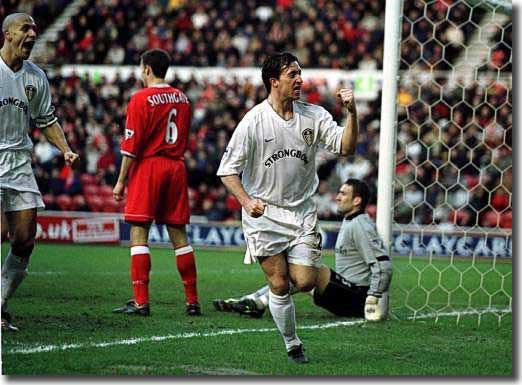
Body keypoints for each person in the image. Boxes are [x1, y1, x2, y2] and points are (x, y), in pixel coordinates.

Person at [216, 52, 358, 364]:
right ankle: (293, 344)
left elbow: (346, 147)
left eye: (299, 73)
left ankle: (260, 302)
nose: (299, 80)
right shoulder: (253, 121)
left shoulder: (313, 115)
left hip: (302, 211)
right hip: (264, 213)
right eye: (292, 74)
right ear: (274, 81)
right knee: (279, 283)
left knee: (305, 280)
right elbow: (228, 170)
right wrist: (247, 201)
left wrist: (352, 113)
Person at [214, 178, 393, 321]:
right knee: (300, 271)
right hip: (346, 292)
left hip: (358, 297)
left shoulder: (361, 225)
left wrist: (373, 298)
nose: (337, 197)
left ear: (357, 200)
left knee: (314, 269)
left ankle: (257, 303)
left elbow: (383, 265)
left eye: (343, 193)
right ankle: (252, 300)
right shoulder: (350, 221)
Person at [0, 13, 80, 331]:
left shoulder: (36, 77)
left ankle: (1, 303)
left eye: (35, 29)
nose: (32, 34)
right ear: (7, 33)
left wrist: (65, 149)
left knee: (24, 241)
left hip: (19, 162)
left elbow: (46, 119)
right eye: (25, 28)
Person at [112, 49, 201, 317]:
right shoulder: (183, 99)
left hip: (149, 166)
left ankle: (141, 302)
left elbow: (131, 146)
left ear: (147, 69)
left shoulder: (140, 98)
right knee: (180, 237)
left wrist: (120, 182)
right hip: (176, 167)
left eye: (141, 68)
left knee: (139, 234)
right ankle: (192, 301)